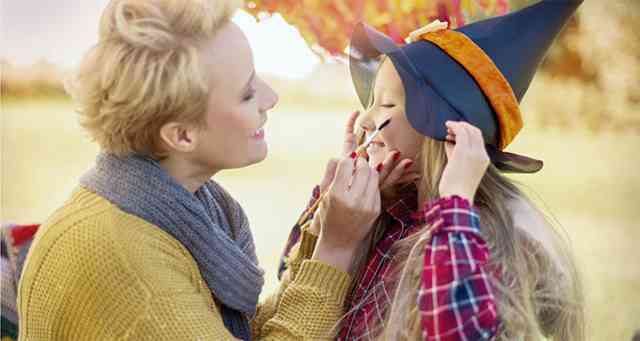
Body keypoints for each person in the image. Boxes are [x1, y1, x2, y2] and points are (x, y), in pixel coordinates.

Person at [16, 1, 414, 340]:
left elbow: (246, 329)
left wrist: (326, 230)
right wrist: (336, 249)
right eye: (246, 92)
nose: (270, 98)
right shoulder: (133, 271)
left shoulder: (177, 209)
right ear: (182, 134)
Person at [279, 0, 585, 339]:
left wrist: (455, 208)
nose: (365, 121)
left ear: (446, 129)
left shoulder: (492, 241)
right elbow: (289, 296)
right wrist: (329, 214)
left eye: (386, 105)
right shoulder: (390, 213)